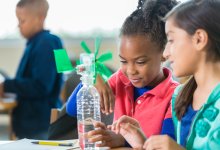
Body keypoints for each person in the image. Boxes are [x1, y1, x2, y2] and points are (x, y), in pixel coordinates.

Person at [66, 0, 178, 148]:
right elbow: (72, 109)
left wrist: (123, 140)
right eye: (123, 61)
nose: (131, 71)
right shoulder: (121, 80)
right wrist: (90, 82)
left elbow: (166, 144)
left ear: (164, 53)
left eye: (140, 62)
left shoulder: (175, 96)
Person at [112, 0, 220, 149]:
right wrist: (143, 144)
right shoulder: (181, 96)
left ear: (199, 39)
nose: (165, 53)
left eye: (171, 40)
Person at [0, 0, 63, 139]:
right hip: (35, 122)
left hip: (38, 125)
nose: (18, 25)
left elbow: (41, 86)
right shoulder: (50, 41)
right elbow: (61, 80)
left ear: (40, 18)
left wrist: (6, 86)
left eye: (22, 20)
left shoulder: (46, 43)